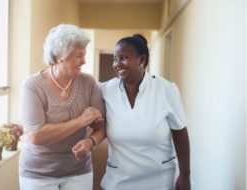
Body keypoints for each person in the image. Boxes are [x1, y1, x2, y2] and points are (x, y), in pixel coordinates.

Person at [19, 24, 106, 190]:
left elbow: (101, 127)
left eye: (85, 55)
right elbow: (36, 137)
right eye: (79, 55)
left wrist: (91, 141)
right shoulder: (32, 86)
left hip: (79, 169)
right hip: (38, 172)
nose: (84, 61)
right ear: (60, 56)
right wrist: (80, 121)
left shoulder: (88, 82)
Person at [100, 34, 191, 190]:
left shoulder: (166, 89)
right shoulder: (105, 90)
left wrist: (185, 174)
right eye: (115, 59)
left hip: (159, 178)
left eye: (123, 58)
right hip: (119, 179)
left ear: (141, 60)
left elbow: (180, 132)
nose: (117, 64)